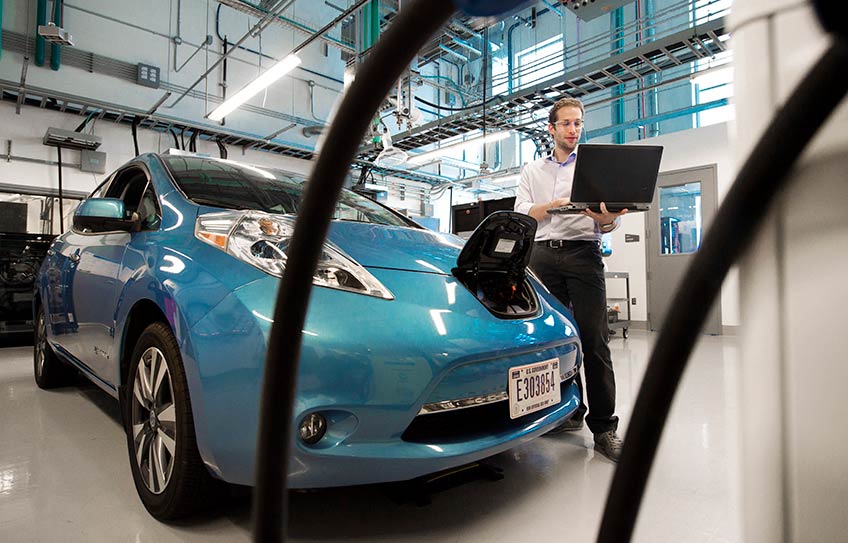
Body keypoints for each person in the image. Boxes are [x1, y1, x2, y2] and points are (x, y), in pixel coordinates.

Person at [514, 97, 626, 462]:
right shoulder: (533, 171)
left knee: (594, 340)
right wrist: (557, 204)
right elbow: (523, 214)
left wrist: (606, 217)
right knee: (556, 341)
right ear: (552, 128)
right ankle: (570, 410)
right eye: (566, 124)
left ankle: (605, 428)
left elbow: (608, 223)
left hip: (583, 253)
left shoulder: (593, 169)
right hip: (542, 256)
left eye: (578, 123)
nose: (574, 129)